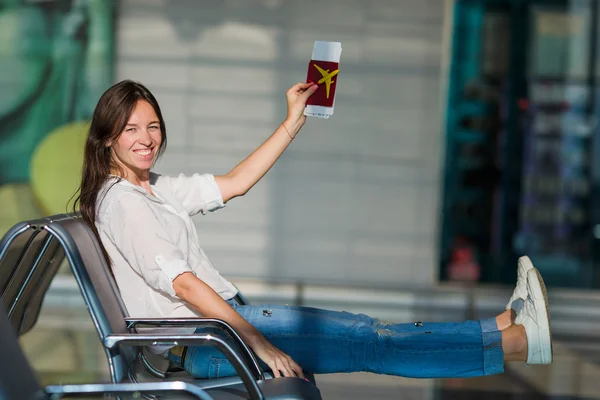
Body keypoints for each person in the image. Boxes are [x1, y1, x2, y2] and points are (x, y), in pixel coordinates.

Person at [75, 79, 552, 381]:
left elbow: (235, 183)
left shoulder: (150, 188)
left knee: (369, 331)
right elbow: (183, 284)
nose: (146, 139)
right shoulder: (123, 204)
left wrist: (291, 122)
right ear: (108, 136)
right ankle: (517, 345)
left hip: (223, 327)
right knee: (372, 342)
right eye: (131, 129)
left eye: (153, 126)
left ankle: (496, 328)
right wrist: (257, 341)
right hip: (212, 342)